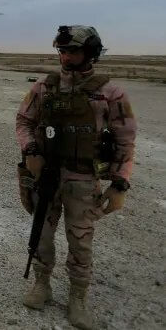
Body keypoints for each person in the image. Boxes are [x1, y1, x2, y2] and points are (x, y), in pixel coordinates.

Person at [15, 25, 136, 329]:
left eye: (72, 51)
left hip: (83, 178)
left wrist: (120, 182)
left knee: (80, 240)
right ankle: (42, 283)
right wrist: (31, 149)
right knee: (42, 232)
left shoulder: (110, 92)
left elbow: (125, 138)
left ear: (90, 53)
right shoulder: (44, 86)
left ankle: (78, 297)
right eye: (62, 51)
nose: (65, 57)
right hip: (46, 174)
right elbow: (24, 120)